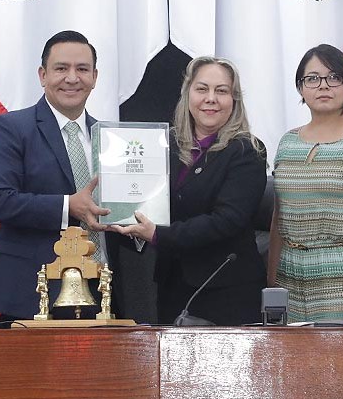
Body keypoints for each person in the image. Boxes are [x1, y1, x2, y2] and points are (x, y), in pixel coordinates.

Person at [112, 56, 267, 325]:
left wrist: (158, 234)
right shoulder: (163, 146)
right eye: (202, 89)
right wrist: (119, 214)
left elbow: (226, 221)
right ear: (187, 94)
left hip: (226, 292)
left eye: (221, 91)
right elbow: (145, 202)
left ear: (234, 100)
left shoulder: (247, 151)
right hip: (173, 287)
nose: (211, 99)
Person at [0, 30, 114, 323]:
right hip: (34, 293)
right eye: (61, 68)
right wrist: (68, 206)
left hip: (102, 292)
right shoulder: (12, 128)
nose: (72, 78)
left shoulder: (112, 138)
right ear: (42, 75)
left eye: (82, 69)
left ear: (95, 77)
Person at [268, 44, 343, 322]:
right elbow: (278, 218)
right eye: (312, 78)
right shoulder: (287, 143)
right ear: (300, 88)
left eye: (333, 77)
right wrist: (272, 282)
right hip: (290, 277)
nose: (323, 85)